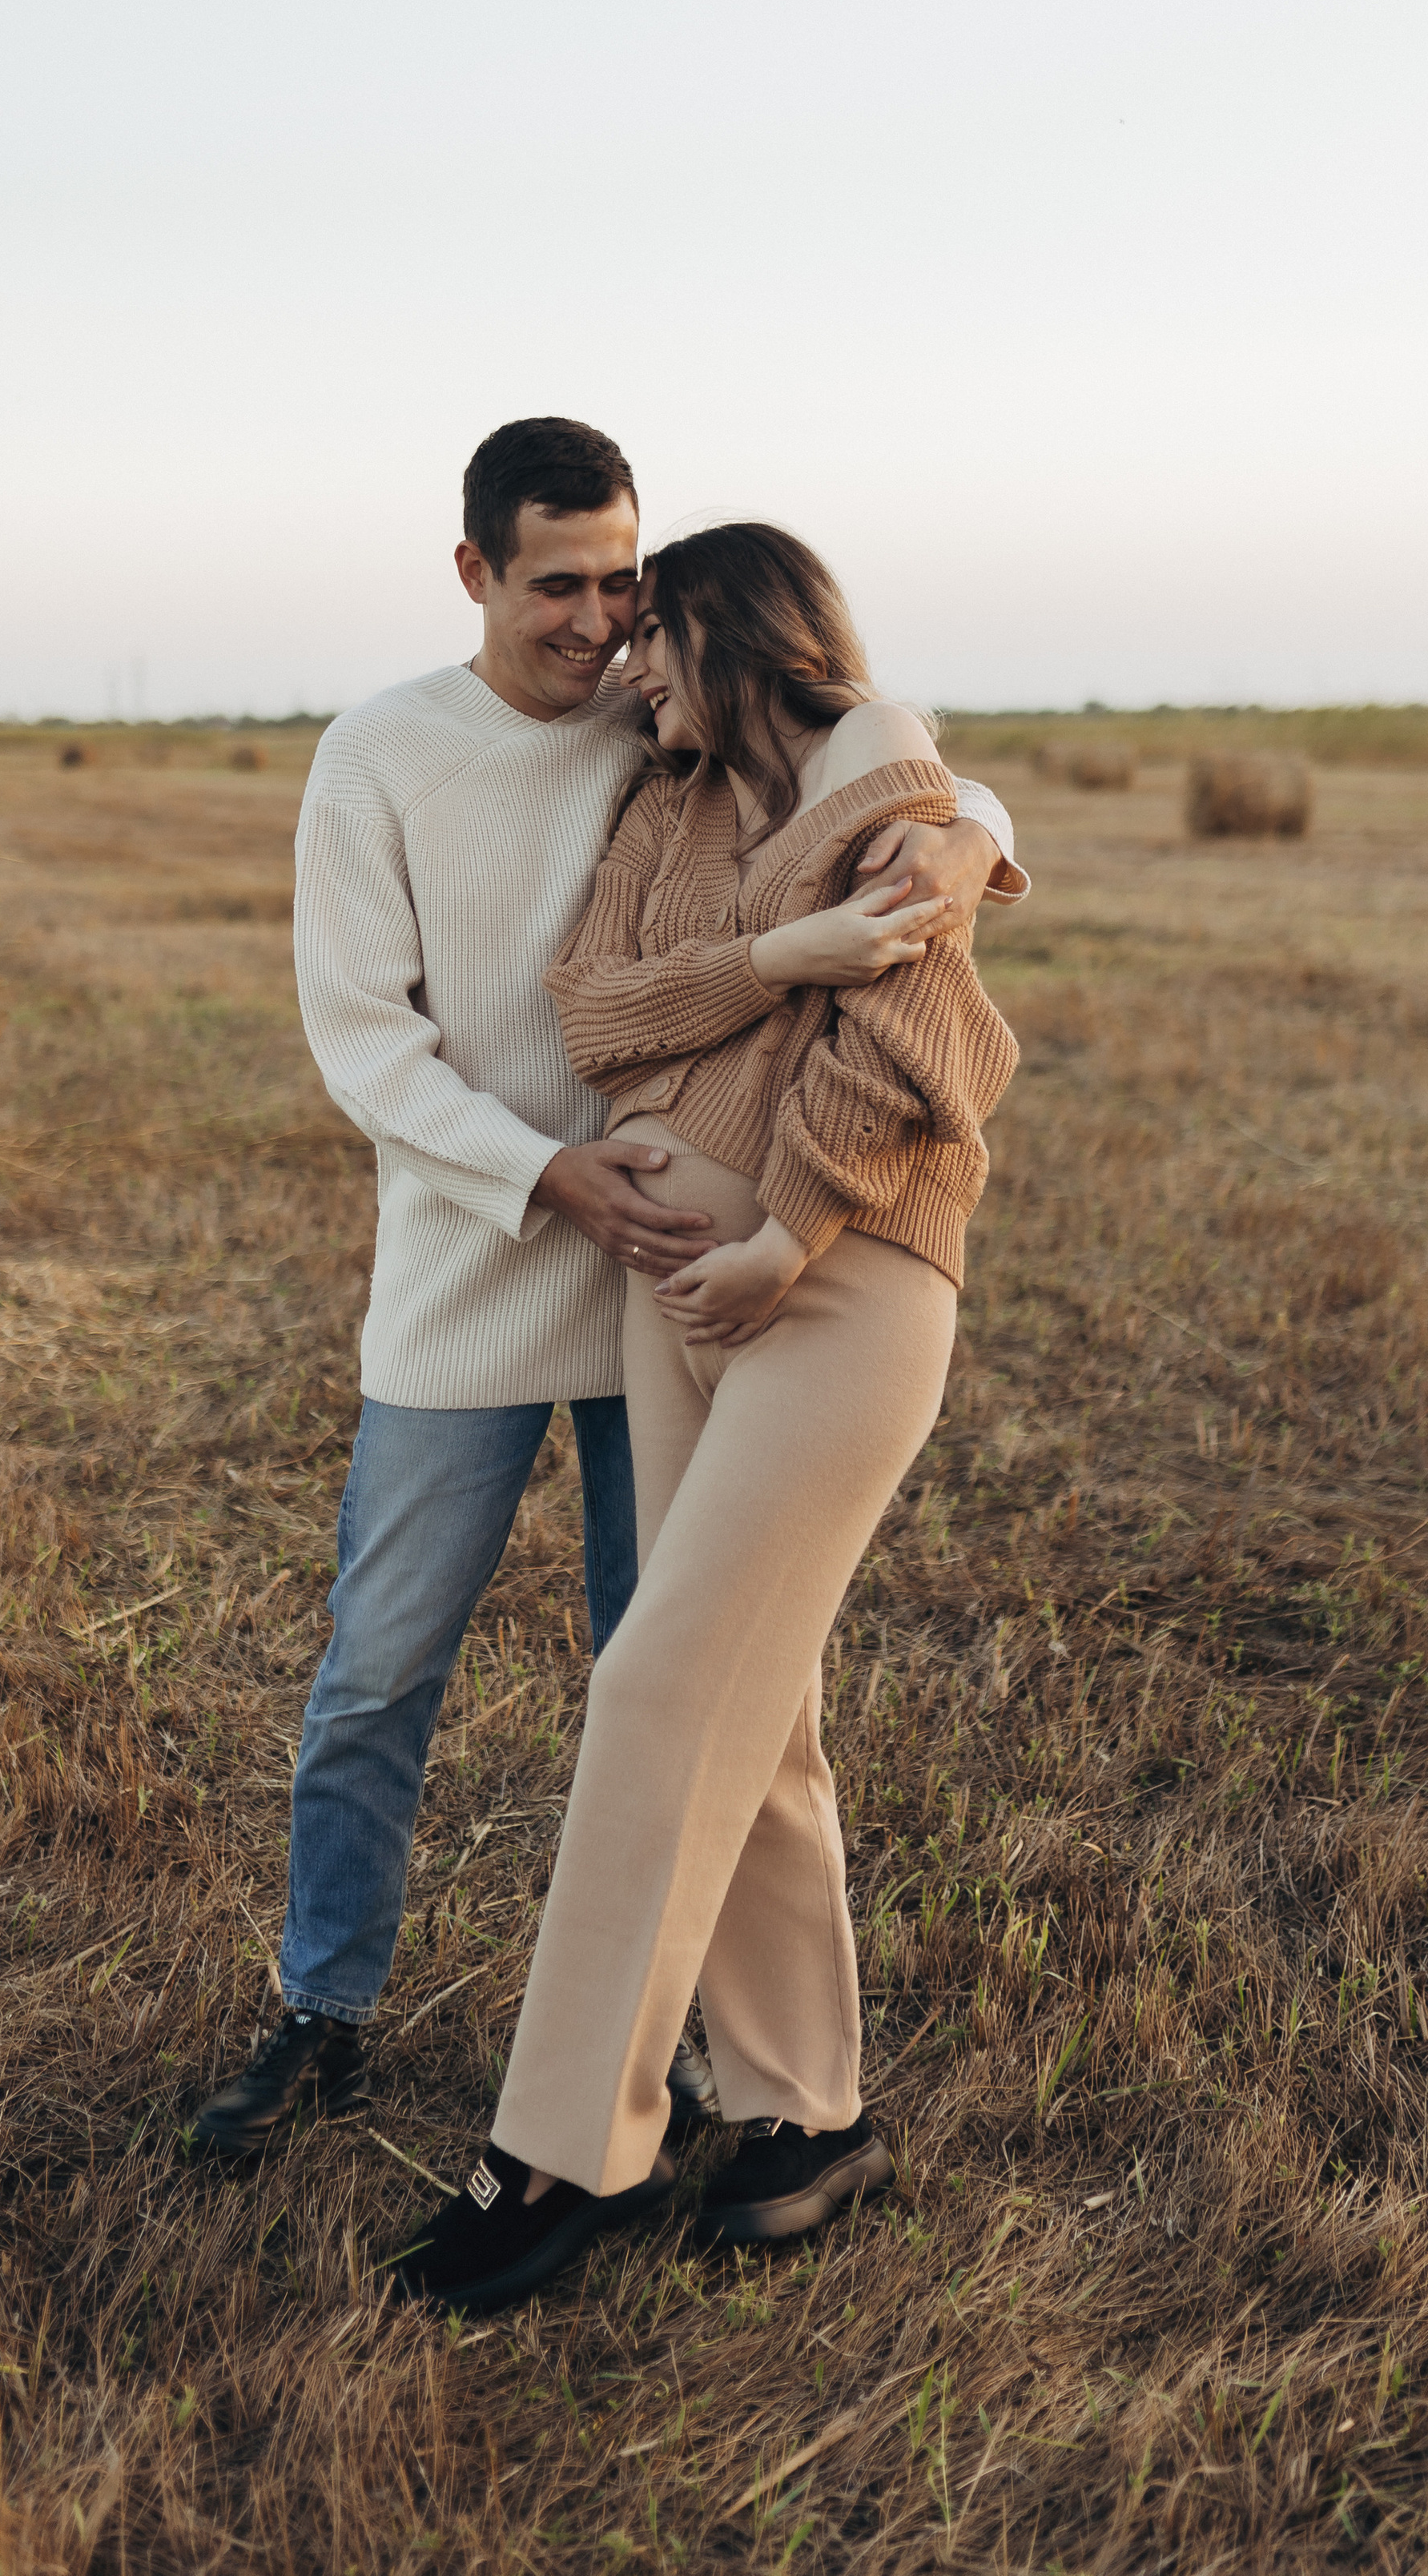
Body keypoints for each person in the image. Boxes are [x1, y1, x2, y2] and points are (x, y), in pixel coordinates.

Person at [191, 425, 1025, 2156]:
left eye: (619, 589)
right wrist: (541, 1172)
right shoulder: (379, 757)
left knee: (701, 1684)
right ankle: (324, 2011)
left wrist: (974, 838)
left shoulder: (664, 723)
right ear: (474, 573)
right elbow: (365, 1043)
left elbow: (870, 751)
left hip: (676, 1304)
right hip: (474, 1286)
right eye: (556, 586)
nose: (593, 626)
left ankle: (723, 2058)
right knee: (376, 1674)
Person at [392, 518, 1020, 2311]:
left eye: (653, 637)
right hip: (671, 1299)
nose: (627, 669)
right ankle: (809, 2114)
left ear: (725, 635)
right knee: (757, 1705)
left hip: (830, 1294)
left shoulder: (886, 779)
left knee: (661, 1673)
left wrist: (783, 1229)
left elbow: (927, 1057)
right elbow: (595, 1013)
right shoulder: (663, 806)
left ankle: (563, 2147)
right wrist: (786, 948)